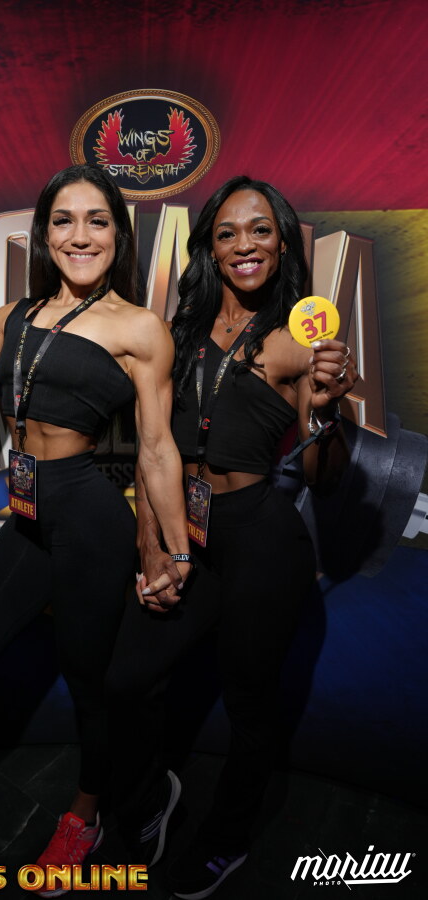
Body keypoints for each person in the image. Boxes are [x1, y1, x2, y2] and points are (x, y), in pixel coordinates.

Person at [0, 164, 192, 889]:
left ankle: (84, 816)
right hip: (26, 522)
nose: (80, 236)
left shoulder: (140, 328)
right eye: (64, 220)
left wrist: (173, 551)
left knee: (90, 687)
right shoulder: (13, 317)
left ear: (118, 235)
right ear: (44, 235)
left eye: (97, 221)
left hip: (89, 521)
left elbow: (156, 448)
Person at [105, 176, 358, 899]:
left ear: (282, 244)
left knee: (250, 702)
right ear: (210, 249)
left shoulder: (299, 345)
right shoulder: (176, 332)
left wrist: (326, 413)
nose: (244, 244)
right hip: (182, 524)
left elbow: (325, 478)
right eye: (227, 232)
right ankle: (153, 798)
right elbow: (152, 444)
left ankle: (228, 838)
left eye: (260, 230)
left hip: (259, 538)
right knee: (126, 679)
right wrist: (153, 541)